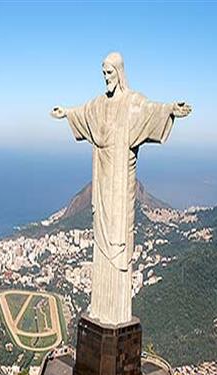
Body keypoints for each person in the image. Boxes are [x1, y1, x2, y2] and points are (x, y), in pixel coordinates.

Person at [51, 52, 191, 325]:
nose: (106, 78)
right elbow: (83, 113)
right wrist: (66, 112)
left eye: (110, 73)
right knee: (101, 244)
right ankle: (101, 310)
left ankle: (116, 312)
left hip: (120, 186)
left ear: (120, 72)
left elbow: (151, 110)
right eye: (103, 73)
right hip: (102, 185)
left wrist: (171, 109)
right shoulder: (99, 105)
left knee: (119, 241)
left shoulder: (131, 103)